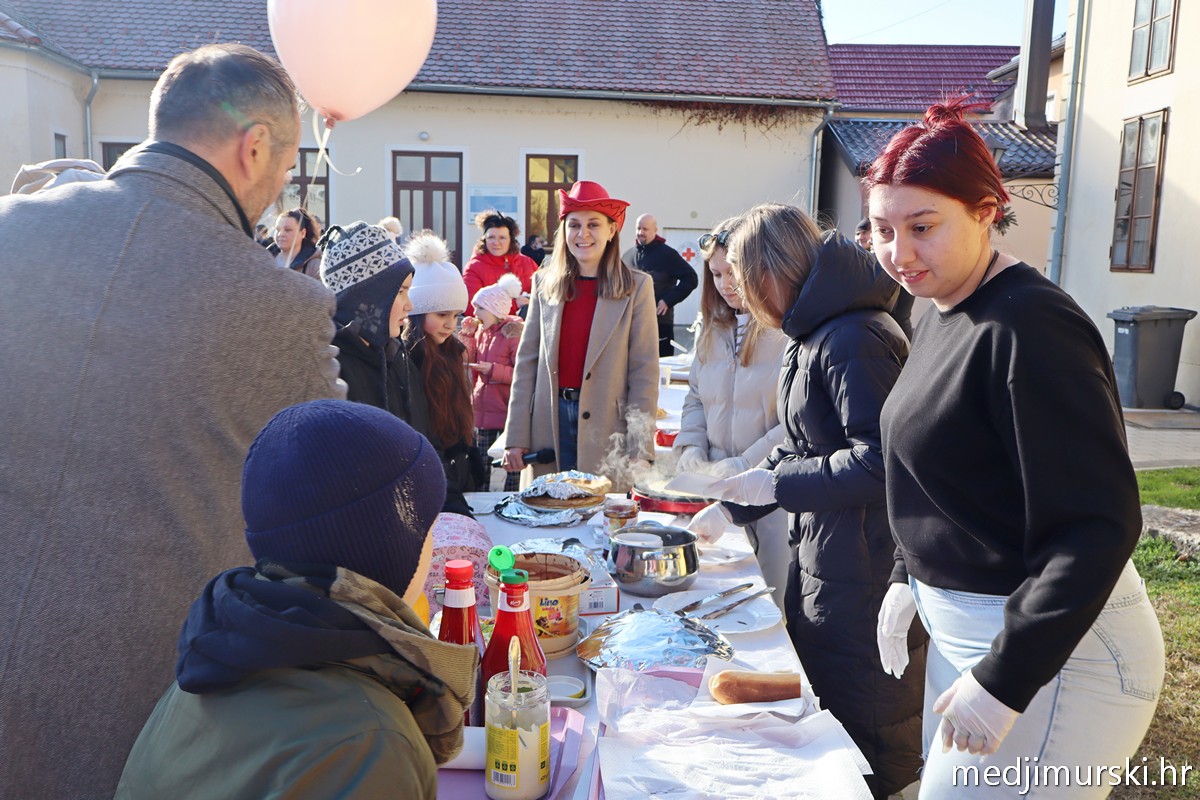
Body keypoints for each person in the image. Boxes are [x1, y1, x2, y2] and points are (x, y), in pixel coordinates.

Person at [0, 43, 343, 800]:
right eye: (285, 168)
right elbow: (336, 495)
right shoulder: (275, 305)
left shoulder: (10, 227)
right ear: (255, 147)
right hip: (133, 715)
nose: (280, 188)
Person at [868, 100, 1164, 797]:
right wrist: (906, 575)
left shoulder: (1031, 327)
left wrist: (1005, 681)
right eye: (882, 230)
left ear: (986, 211)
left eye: (922, 227)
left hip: (1060, 657)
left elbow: (1098, 525)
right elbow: (944, 471)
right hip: (976, 636)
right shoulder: (936, 306)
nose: (899, 253)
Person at [116, 400, 478, 800]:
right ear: (392, 547)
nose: (435, 540)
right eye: (428, 524)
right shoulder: (369, 742)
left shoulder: (221, 652)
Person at [694, 204, 923, 798]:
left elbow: (881, 462)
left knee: (866, 737)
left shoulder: (854, 336)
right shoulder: (815, 330)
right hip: (828, 560)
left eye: (744, 283)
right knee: (827, 721)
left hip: (866, 573)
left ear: (772, 274)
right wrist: (735, 506)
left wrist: (777, 485)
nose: (740, 298)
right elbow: (803, 446)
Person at [502, 180, 658, 489]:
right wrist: (516, 436)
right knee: (549, 514)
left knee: (597, 521)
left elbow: (644, 372)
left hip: (608, 428)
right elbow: (527, 364)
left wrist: (640, 448)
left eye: (593, 224)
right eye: (574, 225)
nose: (582, 234)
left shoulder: (637, 287)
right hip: (548, 424)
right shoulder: (544, 284)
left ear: (611, 230)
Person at [673, 218, 791, 611]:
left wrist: (744, 463)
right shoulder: (713, 327)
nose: (725, 284)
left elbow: (794, 426)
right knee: (712, 601)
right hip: (715, 492)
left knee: (767, 606)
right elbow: (694, 397)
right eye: (716, 274)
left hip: (773, 498)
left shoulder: (786, 334)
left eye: (733, 273)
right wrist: (690, 445)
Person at [403, 231, 485, 509]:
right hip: (434, 478)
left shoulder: (452, 351)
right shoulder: (410, 359)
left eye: (455, 315)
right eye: (441, 315)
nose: (451, 324)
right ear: (418, 313)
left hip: (456, 470)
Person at [320, 221, 418, 422]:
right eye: (400, 292)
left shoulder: (394, 356)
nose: (410, 306)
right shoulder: (330, 370)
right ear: (369, 298)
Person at [459, 274, 525, 492]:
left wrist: (494, 370)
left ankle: (512, 497)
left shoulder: (513, 335)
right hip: (483, 407)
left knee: (511, 462)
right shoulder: (482, 332)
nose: (475, 314)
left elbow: (521, 373)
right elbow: (467, 359)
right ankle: (481, 495)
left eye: (479, 309)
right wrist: (467, 336)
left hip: (505, 408)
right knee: (482, 459)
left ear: (495, 311)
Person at [622, 213, 698, 357]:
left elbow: (691, 278)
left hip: (660, 324)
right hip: (632, 323)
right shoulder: (628, 256)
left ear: (655, 231)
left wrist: (668, 300)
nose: (640, 232)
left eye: (645, 229)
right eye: (638, 228)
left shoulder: (667, 255)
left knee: (660, 366)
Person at [462, 209, 537, 317]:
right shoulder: (474, 268)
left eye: (502, 238)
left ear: (511, 240)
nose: (496, 243)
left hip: (527, 330)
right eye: (491, 237)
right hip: (489, 332)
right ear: (484, 239)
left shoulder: (528, 263)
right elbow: (471, 309)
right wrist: (514, 305)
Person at [270, 206, 322, 277]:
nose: (280, 234)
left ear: (303, 233)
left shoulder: (314, 266)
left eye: (288, 230)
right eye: (278, 229)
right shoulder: (265, 260)